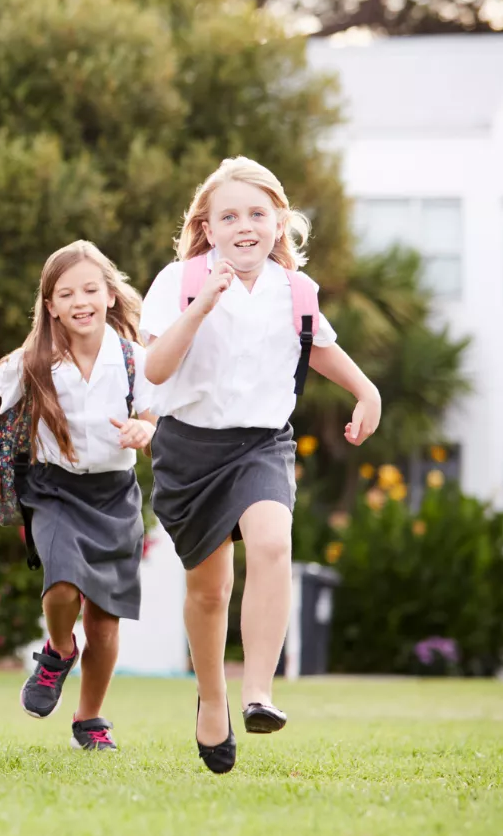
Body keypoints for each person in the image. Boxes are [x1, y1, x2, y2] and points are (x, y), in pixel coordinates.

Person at [141, 156, 381, 774]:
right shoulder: (179, 280)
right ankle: (213, 698)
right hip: (190, 449)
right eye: (229, 215)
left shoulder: (295, 291)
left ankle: (259, 693)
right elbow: (157, 369)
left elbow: (320, 347)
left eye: (257, 213)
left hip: (263, 444)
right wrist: (202, 305)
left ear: (279, 222)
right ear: (209, 226)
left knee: (273, 544)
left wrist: (367, 392)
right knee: (210, 589)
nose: (244, 225)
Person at [0, 240, 156, 752]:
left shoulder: (133, 359)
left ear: (108, 295)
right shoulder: (31, 361)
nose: (80, 300)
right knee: (61, 588)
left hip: (115, 495)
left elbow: (152, 415)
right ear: (50, 304)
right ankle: (58, 650)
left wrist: (144, 432)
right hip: (54, 490)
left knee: (104, 623)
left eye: (90, 289)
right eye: (66, 293)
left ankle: (90, 718)